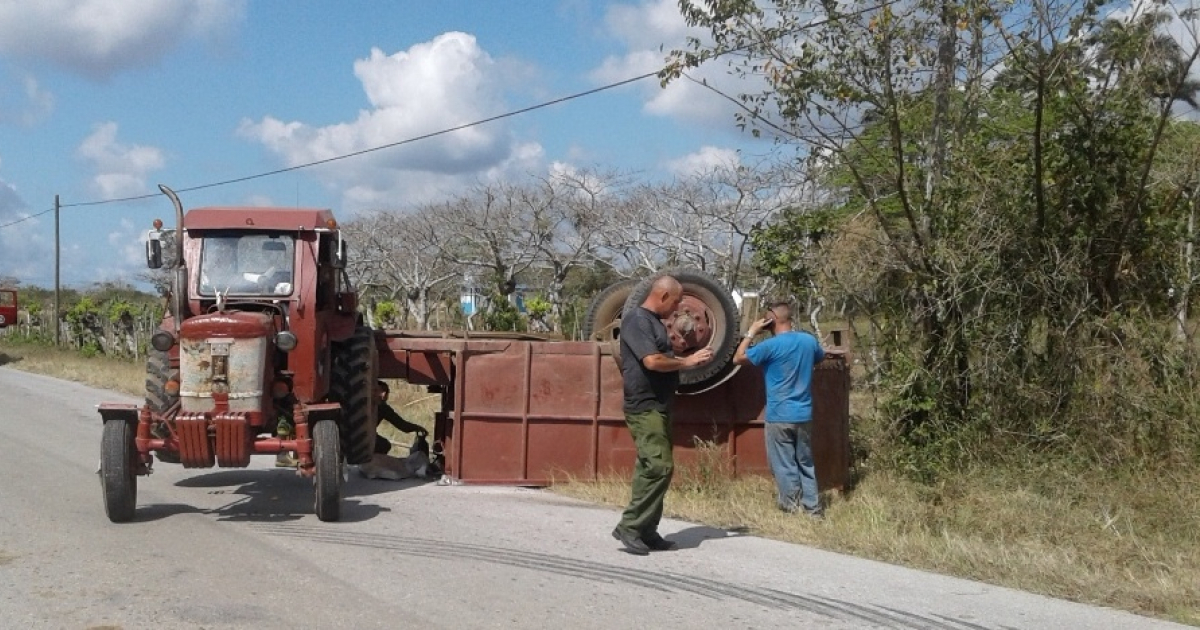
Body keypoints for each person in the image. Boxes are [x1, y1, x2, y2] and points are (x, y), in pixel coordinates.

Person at [612, 275, 714, 555]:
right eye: (678, 300)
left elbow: (661, 356)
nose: (679, 306)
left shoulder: (653, 323)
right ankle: (630, 526)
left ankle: (647, 531)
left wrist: (684, 354)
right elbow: (652, 361)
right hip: (645, 406)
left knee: (652, 469)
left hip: (659, 404)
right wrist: (687, 361)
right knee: (659, 467)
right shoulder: (637, 320)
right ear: (664, 296)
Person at [733, 299, 831, 518]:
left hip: (779, 415)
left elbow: (738, 358)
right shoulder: (808, 341)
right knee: (805, 462)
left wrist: (751, 332)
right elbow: (820, 357)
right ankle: (813, 509)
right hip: (804, 413)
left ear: (773, 319)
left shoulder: (769, 347)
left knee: (784, 464)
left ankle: (791, 507)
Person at [358, 380, 432, 480]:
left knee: (384, 444)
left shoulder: (382, 407)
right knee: (383, 444)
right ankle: (369, 463)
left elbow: (401, 424)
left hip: (367, 438)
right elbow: (402, 425)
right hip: (359, 439)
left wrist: (417, 428)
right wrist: (417, 428)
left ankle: (372, 464)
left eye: (386, 392)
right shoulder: (367, 406)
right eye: (379, 391)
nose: (383, 395)